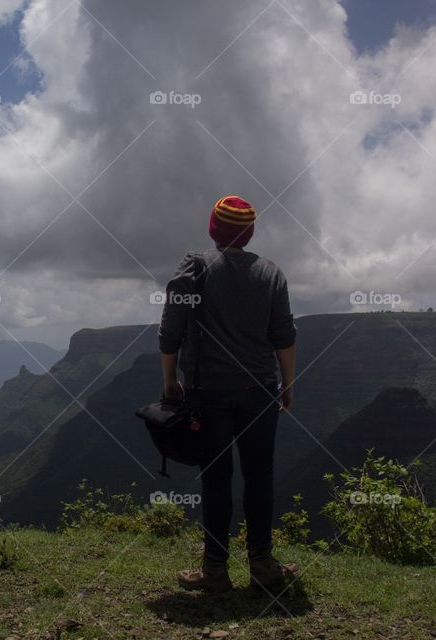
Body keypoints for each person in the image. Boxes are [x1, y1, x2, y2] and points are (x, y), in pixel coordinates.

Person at [157, 195, 301, 593]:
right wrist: (287, 385)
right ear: (249, 233)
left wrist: (170, 378)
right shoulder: (271, 273)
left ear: (213, 230)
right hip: (260, 392)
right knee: (259, 477)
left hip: (208, 394)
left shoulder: (195, 266)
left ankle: (215, 571)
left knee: (216, 479)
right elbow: (283, 336)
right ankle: (263, 565)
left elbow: (171, 327)